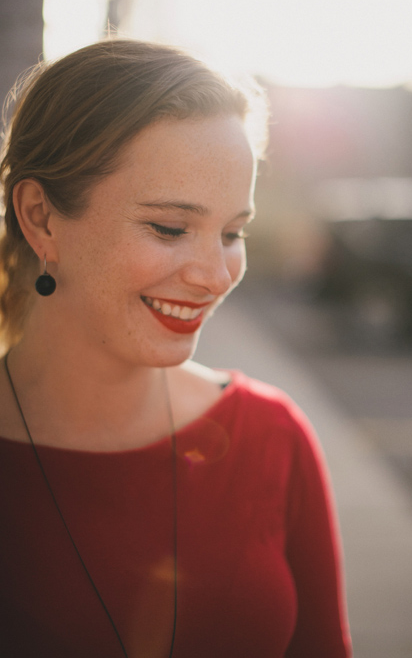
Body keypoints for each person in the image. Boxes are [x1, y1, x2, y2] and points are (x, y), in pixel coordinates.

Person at [0, 39, 351, 657]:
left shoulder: (273, 437)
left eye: (232, 232)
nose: (215, 275)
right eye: (169, 228)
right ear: (41, 218)